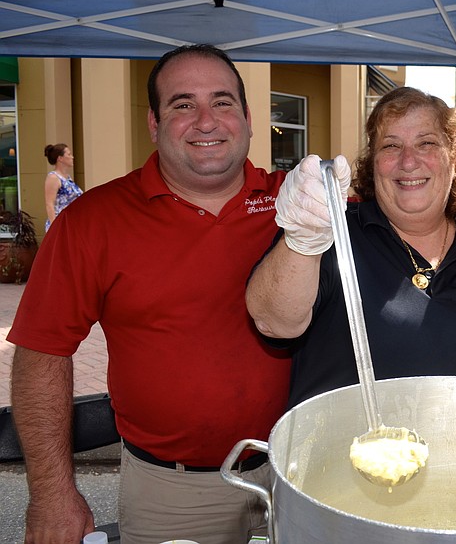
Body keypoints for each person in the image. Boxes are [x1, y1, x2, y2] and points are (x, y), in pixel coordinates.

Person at [8, 44, 291, 544]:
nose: (206, 121)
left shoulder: (299, 203)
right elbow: (42, 353)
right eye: (183, 105)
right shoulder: (92, 222)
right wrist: (52, 493)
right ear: (154, 124)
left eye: (222, 102)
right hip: (171, 493)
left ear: (248, 119)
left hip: (301, 474)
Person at [246, 86, 456, 409]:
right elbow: (272, 320)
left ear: (453, 156)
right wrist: (301, 242)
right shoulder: (332, 232)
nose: (408, 161)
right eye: (391, 146)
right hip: (344, 455)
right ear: (372, 163)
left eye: (426, 143)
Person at [43, 143, 83, 232]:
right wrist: (55, 227)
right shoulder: (53, 178)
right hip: (60, 224)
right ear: (60, 158)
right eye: (68, 154)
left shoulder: (67, 178)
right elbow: (49, 204)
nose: (72, 157)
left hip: (71, 223)